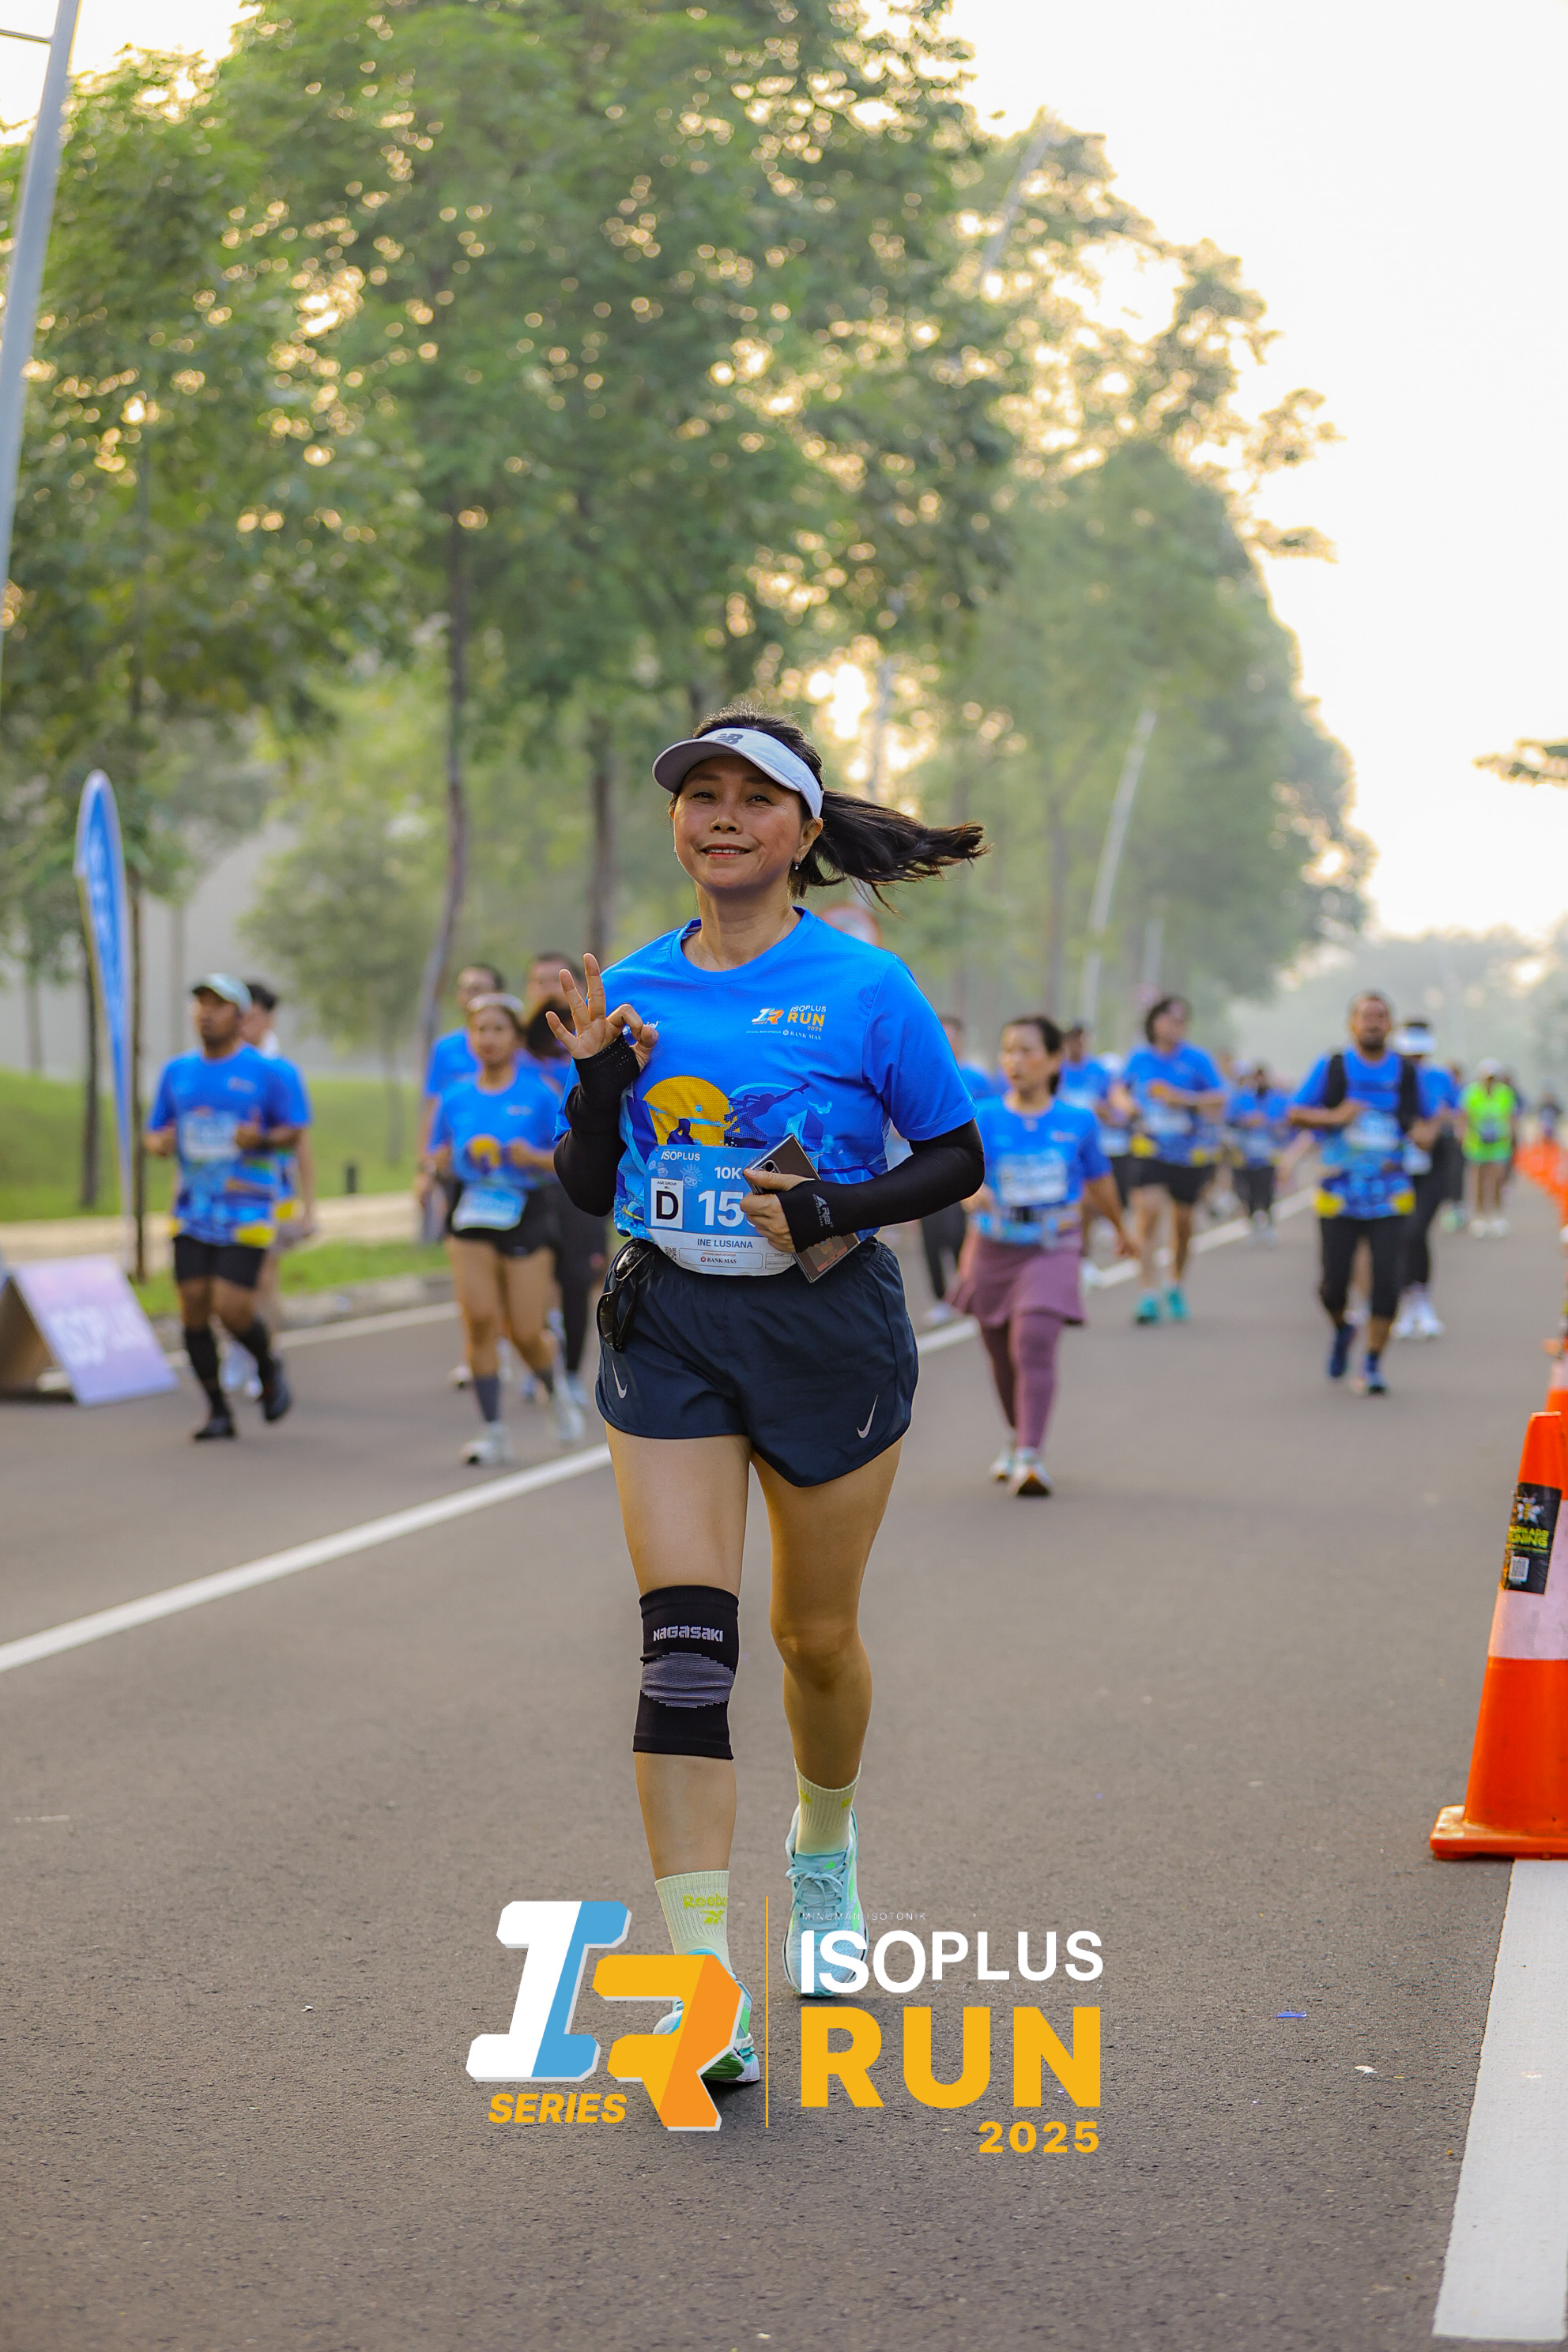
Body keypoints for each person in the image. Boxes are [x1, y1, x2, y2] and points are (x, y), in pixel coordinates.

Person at [548, 707, 984, 2082]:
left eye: (752, 797)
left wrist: (832, 1206)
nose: (721, 816)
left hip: (823, 1331)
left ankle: (823, 1850)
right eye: (701, 795)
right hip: (669, 1322)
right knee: (685, 1651)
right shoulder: (632, 982)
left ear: (801, 830)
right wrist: (598, 1091)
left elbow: (955, 1155)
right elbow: (588, 1181)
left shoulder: (864, 986)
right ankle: (701, 1985)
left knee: (814, 1639)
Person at [952, 1015, 1135, 1495]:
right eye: (1008, 1050)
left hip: (1053, 1247)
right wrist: (971, 1193)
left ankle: (1030, 1456)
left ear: (1054, 1060)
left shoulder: (1078, 1121)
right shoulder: (982, 1116)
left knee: (1033, 1337)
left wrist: (1122, 1229)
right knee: (1000, 1354)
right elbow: (957, 1171)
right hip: (992, 1249)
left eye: (1028, 1051)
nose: (1015, 1061)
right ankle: (1018, 1437)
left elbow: (1099, 1181)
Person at [425, 993, 586, 1463]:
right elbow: (437, 1155)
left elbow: (568, 1159)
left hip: (526, 1213)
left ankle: (554, 1390)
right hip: (471, 1212)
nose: (488, 1038)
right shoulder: (454, 1097)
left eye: (498, 1029)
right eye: (480, 1030)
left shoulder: (540, 1094)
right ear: (469, 1038)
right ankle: (493, 1432)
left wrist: (533, 1157)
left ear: (516, 1038)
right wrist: (437, 1165)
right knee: (479, 1321)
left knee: (525, 1331)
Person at [145, 976, 300, 1439]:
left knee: (232, 1309)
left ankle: (268, 1366)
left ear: (240, 1015)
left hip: (247, 1209)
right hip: (192, 1209)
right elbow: (155, 1131)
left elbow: (293, 1131)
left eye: (218, 1005)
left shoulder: (270, 1073)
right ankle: (217, 1410)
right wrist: (159, 1143)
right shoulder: (177, 1072)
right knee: (193, 1307)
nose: (206, 1013)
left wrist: (262, 1138)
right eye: (201, 1004)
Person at [1288, 992, 1438, 1395]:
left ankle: (1372, 1362)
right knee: (1332, 1286)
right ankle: (1343, 1327)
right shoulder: (1333, 1066)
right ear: (1351, 1024)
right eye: (1366, 1015)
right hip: (1339, 1191)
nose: (1373, 1022)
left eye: (1381, 1016)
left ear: (1390, 1025)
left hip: (1391, 1192)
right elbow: (1295, 1112)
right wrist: (1336, 1116)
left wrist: (1424, 1135)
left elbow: (1429, 1120)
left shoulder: (1407, 1072)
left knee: (1387, 1282)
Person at [217, 980, 316, 1398]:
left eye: (252, 1017)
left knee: (264, 1276)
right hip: (222, 1193)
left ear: (268, 1020)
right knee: (227, 1281)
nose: (244, 1025)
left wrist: (309, 1206)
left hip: (273, 1192)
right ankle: (237, 1347)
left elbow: (301, 1142)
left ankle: (263, 1357)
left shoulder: (279, 1071)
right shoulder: (219, 1067)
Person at [521, 955, 609, 1410]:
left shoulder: (595, 1043)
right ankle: (534, 1360)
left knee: (577, 1279)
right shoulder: (512, 1051)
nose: (548, 989)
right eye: (539, 981)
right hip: (528, 1188)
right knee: (526, 1281)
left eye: (558, 980)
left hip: (576, 1183)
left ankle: (572, 1372)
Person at [1120, 995, 1227, 1324]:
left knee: (1183, 1223)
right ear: (1154, 1023)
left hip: (1188, 1154)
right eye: (1169, 1019)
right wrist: (1128, 1106)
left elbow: (1220, 1097)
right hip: (1149, 1149)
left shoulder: (1198, 1059)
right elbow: (1118, 1089)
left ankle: (1175, 1285)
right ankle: (1148, 1293)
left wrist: (1183, 1099)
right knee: (1148, 1215)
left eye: (1182, 1021)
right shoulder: (1139, 1057)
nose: (1176, 1026)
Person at [416, 961, 507, 1242]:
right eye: (466, 989)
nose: (471, 996)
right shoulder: (446, 1049)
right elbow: (433, 1108)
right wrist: (425, 1167)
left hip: (510, 1163)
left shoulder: (516, 1045)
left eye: (479, 989)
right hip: (458, 1163)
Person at [920, 1015, 994, 1325]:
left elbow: (992, 1121)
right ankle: (942, 1300)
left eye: (953, 1036)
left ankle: (967, 1292)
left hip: (963, 1171)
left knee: (957, 1234)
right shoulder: (920, 1074)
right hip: (925, 1170)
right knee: (932, 1238)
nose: (948, 1042)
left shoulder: (977, 1079)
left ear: (961, 1041)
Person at [1391, 1020, 1455, 1340]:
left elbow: (1454, 1112)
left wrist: (1435, 1124)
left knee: (1417, 1232)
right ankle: (1406, 1302)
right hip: (1397, 1165)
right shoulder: (1390, 1074)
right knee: (1402, 1235)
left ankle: (1422, 1300)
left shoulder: (1440, 1077)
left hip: (1433, 1165)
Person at [1226, 1060, 1290, 1241]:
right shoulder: (1240, 1098)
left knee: (1267, 1190)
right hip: (1245, 1155)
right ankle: (1252, 1225)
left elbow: (1288, 1122)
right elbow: (1229, 1121)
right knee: (1246, 1192)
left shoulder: (1279, 1099)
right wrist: (1246, 1122)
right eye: (1257, 1077)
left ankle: (1268, 1224)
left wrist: (1273, 1126)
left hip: (1268, 1155)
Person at [1462, 1060, 1519, 1236]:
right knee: (1478, 1181)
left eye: (1493, 1078)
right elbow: (1464, 1116)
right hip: (1477, 1145)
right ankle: (1479, 1217)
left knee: (1497, 1180)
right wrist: (1463, 1135)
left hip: (1498, 1145)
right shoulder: (1471, 1092)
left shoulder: (1505, 1093)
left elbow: (1511, 1117)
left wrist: (1512, 1137)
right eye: (1487, 1078)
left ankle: (1496, 1215)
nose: (1490, 1081)